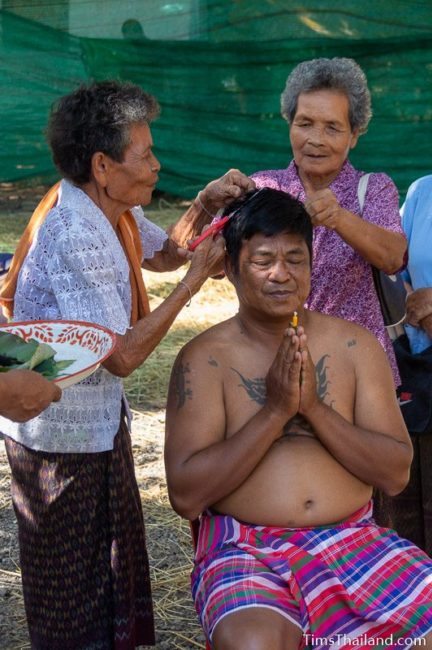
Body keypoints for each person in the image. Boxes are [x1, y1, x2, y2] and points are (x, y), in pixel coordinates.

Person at [0, 80, 254, 649]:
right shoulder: (76, 232)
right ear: (103, 164)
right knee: (72, 593)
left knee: (100, 570)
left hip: (90, 426)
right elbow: (122, 356)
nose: (157, 163)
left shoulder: (106, 207)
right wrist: (193, 284)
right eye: (145, 154)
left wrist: (206, 205)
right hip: (57, 439)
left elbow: (166, 252)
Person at [164, 189, 432, 650]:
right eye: (262, 259)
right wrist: (273, 411)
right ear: (229, 269)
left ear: (311, 265)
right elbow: (187, 496)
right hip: (245, 551)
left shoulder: (354, 346)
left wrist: (313, 408)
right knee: (254, 644)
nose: (280, 274)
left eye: (295, 258)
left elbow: (394, 473)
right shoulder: (203, 360)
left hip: (356, 542)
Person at [251, 57, 407, 387]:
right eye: (305, 123)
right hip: (274, 366)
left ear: (354, 135)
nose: (316, 139)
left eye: (332, 127)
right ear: (289, 122)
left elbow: (393, 258)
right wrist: (207, 207)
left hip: (357, 371)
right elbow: (220, 266)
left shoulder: (373, 189)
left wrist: (339, 217)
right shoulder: (262, 188)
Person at [387, 175, 432, 556]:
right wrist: (419, 307)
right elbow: (394, 271)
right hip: (421, 372)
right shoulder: (422, 192)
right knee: (413, 514)